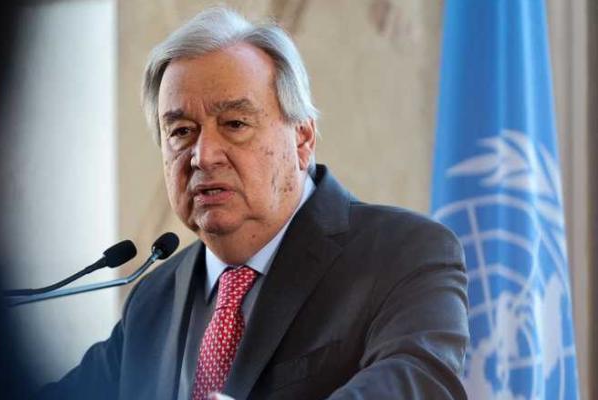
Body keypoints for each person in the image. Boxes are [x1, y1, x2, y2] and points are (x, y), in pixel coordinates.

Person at [39, 7, 468, 400]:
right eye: (182, 131)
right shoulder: (153, 299)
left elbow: (420, 385)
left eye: (235, 124)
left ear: (302, 139)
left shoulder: (402, 254)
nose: (204, 156)